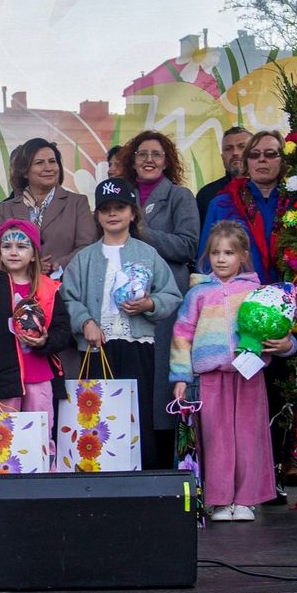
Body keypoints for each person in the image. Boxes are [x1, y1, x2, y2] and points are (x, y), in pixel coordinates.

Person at [171, 221, 292, 521]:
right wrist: (181, 377)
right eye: (215, 253)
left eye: (229, 252)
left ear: (243, 256)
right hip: (211, 378)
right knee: (216, 437)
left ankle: (246, 500)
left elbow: (280, 326)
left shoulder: (257, 291)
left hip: (249, 376)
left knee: (249, 436)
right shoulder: (198, 294)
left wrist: (287, 344)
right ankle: (220, 500)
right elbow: (182, 334)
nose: (221, 259)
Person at [62, 178, 183, 469]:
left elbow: (171, 293)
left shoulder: (147, 254)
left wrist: (149, 304)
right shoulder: (84, 258)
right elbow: (67, 298)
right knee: (97, 412)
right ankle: (100, 475)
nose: (113, 214)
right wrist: (85, 322)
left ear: (133, 213)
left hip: (137, 344)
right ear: (97, 215)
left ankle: (139, 478)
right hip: (95, 347)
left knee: (136, 411)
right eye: (106, 209)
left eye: (120, 207)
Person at [112, 131, 200, 437]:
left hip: (165, 298)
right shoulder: (121, 197)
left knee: (162, 372)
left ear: (167, 161)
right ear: (131, 161)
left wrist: (141, 231)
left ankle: (165, 443)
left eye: (156, 154)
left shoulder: (179, 196)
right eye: (142, 154)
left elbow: (188, 246)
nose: (149, 160)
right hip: (123, 304)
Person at [0, 220, 72, 421]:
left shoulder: (47, 288)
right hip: (3, 378)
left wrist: (45, 342)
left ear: (33, 255)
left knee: (41, 435)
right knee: (3, 437)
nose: (13, 252)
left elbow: (63, 331)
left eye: (21, 246)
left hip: (41, 376)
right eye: (7, 246)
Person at [0, 138, 98, 274]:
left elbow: (87, 247)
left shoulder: (77, 203)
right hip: (19, 289)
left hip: (63, 287)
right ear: (25, 172)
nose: (48, 168)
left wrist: (57, 265)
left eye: (52, 161)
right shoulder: (7, 208)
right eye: (39, 163)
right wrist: (28, 267)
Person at [199, 131, 285, 284]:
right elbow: (205, 265)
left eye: (270, 154)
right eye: (254, 154)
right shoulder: (222, 204)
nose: (262, 159)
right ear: (246, 162)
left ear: (283, 161)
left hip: (291, 297)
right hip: (236, 300)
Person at [196, 127, 252, 223]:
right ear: (222, 157)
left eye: (242, 147)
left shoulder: (269, 190)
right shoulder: (206, 195)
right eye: (228, 149)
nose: (235, 153)